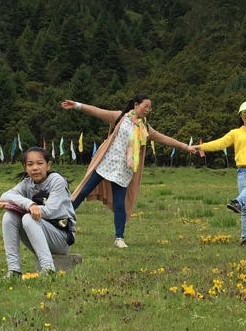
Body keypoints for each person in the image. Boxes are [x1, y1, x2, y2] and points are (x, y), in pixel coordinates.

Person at [61, 95, 197, 248]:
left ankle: (119, 238)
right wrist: (77, 105)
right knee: (83, 192)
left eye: (150, 108)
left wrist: (186, 147)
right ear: (136, 105)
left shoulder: (144, 127)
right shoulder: (119, 117)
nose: (148, 110)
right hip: (106, 164)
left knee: (120, 204)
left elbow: (164, 138)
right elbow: (97, 111)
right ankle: (61, 218)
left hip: (124, 170)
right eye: (146, 106)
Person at [197, 101, 246, 246]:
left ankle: (237, 202)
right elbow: (219, 143)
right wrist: (200, 147)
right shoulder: (235, 133)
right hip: (242, 170)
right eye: (245, 112)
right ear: (240, 115)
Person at [0, 147, 76, 277]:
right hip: (40, 233)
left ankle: (48, 270)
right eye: (30, 164)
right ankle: (14, 270)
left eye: (40, 163)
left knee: (29, 218)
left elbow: (49, 211)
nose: (35, 168)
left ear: (48, 165)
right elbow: (5, 195)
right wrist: (29, 204)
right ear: (25, 167)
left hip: (61, 237)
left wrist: (28, 207)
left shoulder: (57, 181)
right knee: (9, 216)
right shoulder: (27, 183)